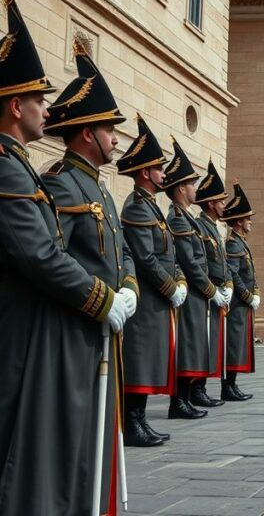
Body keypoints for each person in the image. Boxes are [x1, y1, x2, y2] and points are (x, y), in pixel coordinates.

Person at [0, 0, 131, 513]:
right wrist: (102, 299)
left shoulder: (20, 164)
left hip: (49, 327)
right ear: (15, 106)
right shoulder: (9, 168)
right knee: (27, 448)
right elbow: (39, 255)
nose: (46, 109)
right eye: (38, 99)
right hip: (26, 330)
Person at [43, 41, 146, 449]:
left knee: (102, 438)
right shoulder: (60, 182)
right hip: (79, 329)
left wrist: (130, 288)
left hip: (106, 327)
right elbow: (55, 256)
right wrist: (102, 300)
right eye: (109, 131)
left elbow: (122, 251)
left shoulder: (100, 188)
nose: (116, 141)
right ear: (88, 133)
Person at [117, 115, 185, 438]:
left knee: (148, 359)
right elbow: (145, 258)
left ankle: (140, 419)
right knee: (140, 361)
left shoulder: (151, 207)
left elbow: (168, 254)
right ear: (145, 172)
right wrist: (171, 287)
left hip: (156, 301)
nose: (164, 174)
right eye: (159, 168)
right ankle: (133, 422)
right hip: (146, 301)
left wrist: (178, 282)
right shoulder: (136, 207)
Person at [165, 139, 222, 417]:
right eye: (190, 184)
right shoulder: (177, 218)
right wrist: (209, 288)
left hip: (198, 293)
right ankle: (179, 402)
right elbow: (189, 261)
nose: (194, 190)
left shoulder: (186, 218)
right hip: (190, 293)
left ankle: (186, 399)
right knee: (186, 349)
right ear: (180, 188)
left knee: (193, 347)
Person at [194, 160, 232, 404]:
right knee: (201, 344)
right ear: (210, 203)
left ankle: (201, 389)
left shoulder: (214, 229)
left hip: (217, 294)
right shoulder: (201, 227)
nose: (223, 206)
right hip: (205, 295)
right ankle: (196, 390)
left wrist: (227, 286)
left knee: (210, 345)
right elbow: (199, 263)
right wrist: (213, 290)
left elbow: (224, 264)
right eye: (220, 201)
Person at [223, 184, 258, 400]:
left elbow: (250, 273)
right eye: (247, 218)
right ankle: (228, 387)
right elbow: (234, 275)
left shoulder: (241, 243)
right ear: (238, 222)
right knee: (234, 346)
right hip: (237, 304)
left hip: (243, 304)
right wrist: (247, 296)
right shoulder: (233, 244)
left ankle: (233, 385)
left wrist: (256, 293)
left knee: (239, 345)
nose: (250, 222)